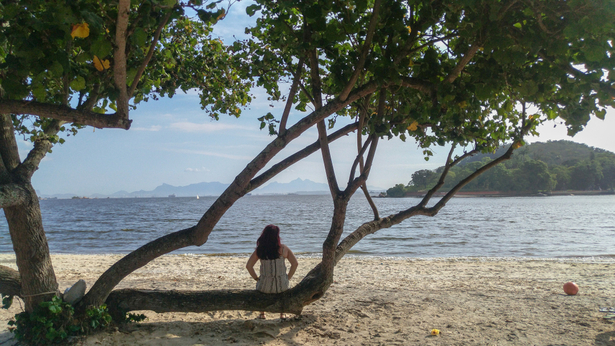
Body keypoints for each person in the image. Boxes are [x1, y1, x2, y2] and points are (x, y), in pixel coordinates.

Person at [246, 224, 298, 319]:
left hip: (265, 286)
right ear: (277, 236)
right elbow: (295, 264)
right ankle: (282, 314)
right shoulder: (283, 249)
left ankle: (262, 314)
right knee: (284, 293)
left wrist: (256, 278)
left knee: (260, 291)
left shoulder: (260, 250)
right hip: (282, 285)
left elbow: (249, 266)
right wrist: (287, 278)